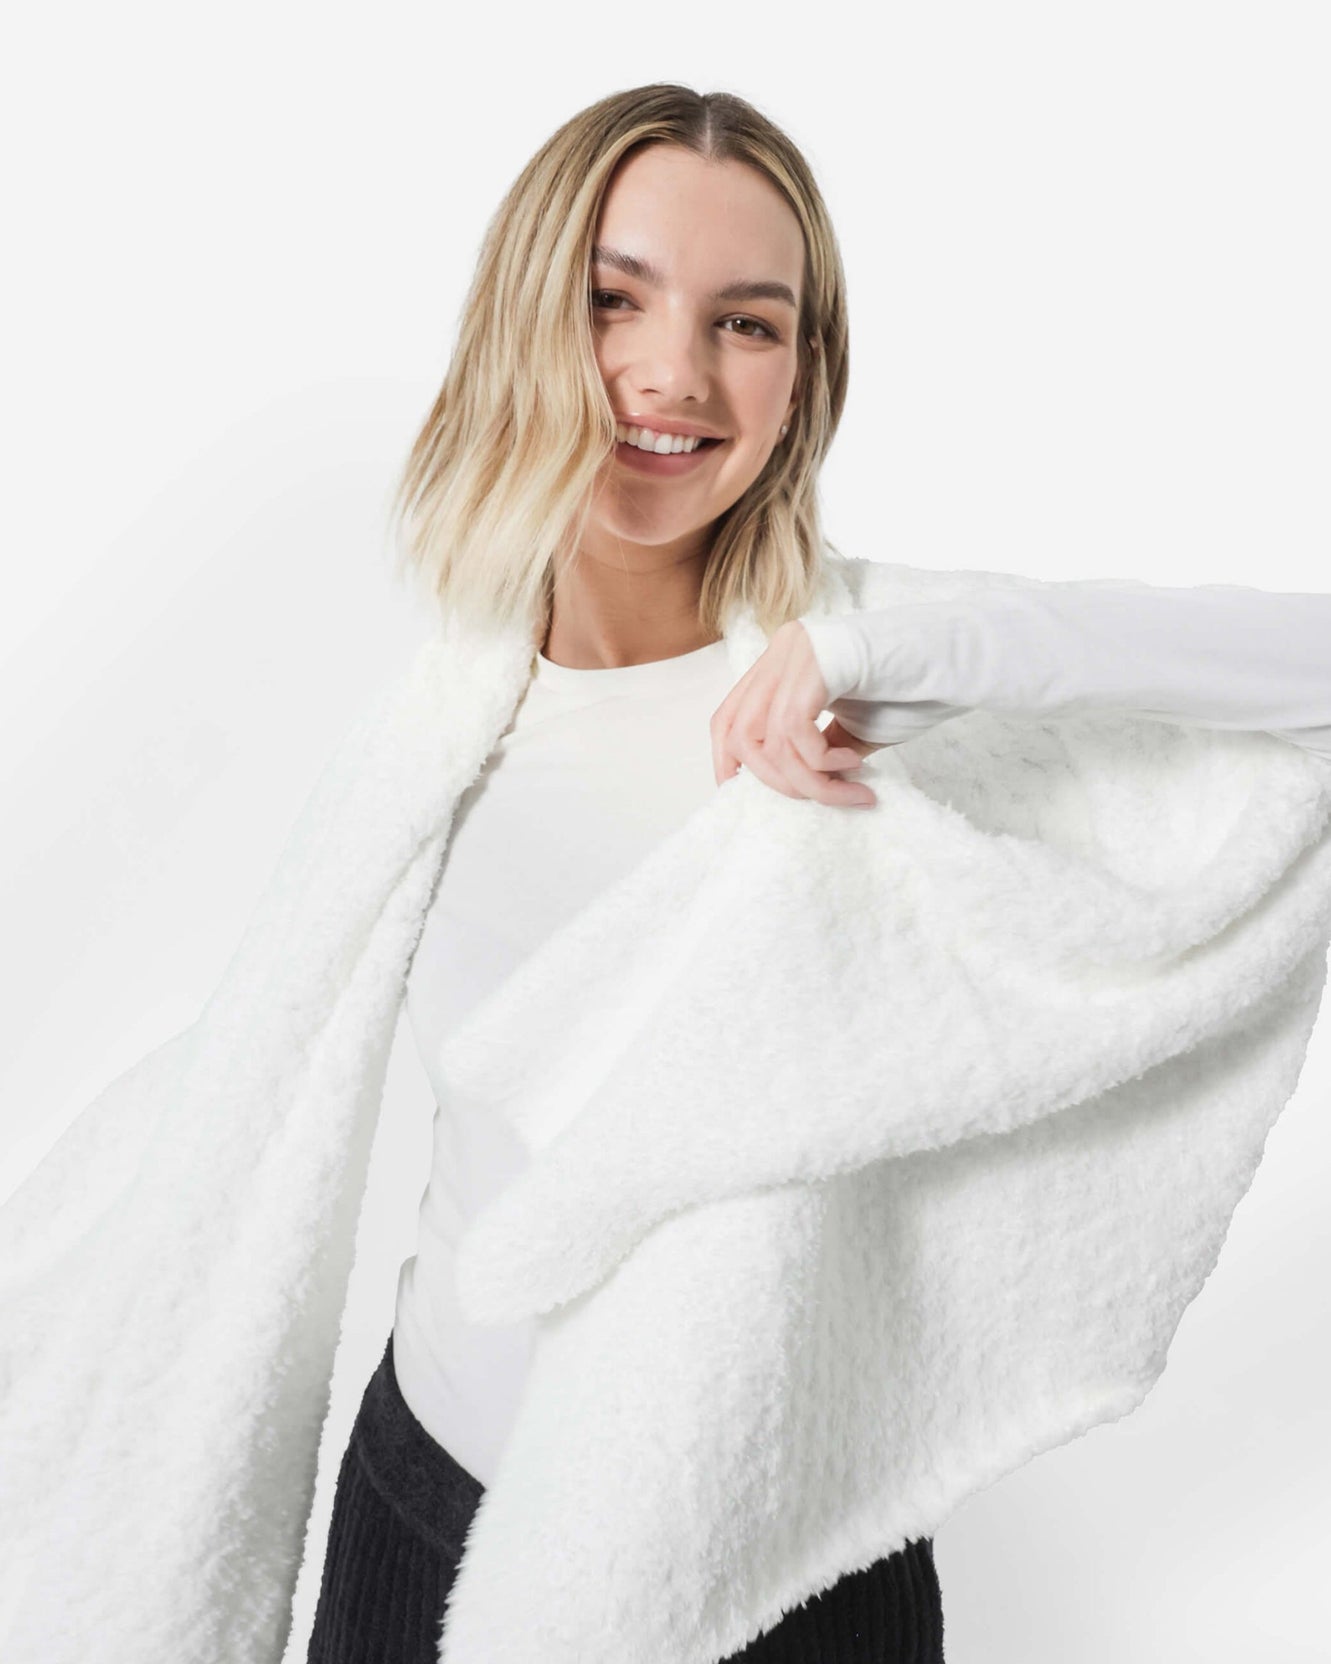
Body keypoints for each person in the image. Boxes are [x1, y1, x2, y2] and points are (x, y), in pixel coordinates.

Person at [3, 83, 1329, 1664]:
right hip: (424, 1514)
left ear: (802, 377)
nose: (674, 373)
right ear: (523, 319)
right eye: (613, 299)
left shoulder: (875, 680)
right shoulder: (430, 730)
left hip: (788, 1564)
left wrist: (915, 652)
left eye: (745, 323)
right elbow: (251, 1096)